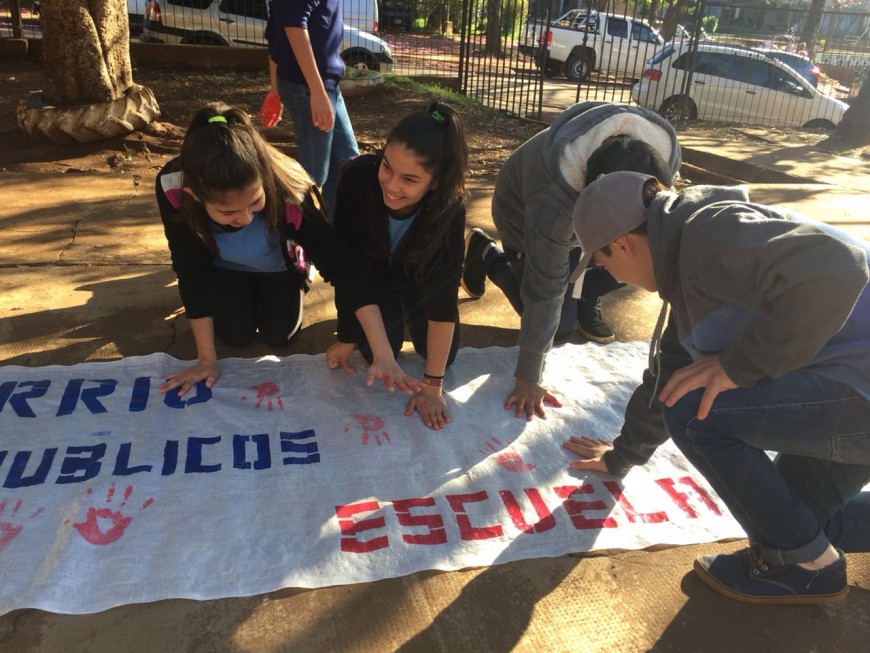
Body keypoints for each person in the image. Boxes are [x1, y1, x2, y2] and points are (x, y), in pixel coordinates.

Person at [566, 170, 870, 605]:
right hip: (854, 387)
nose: (612, 276)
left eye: (602, 262)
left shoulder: (710, 237)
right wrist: (622, 457)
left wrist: (737, 366)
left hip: (860, 391)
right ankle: (807, 554)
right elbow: (669, 374)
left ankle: (810, 569)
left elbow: (841, 269)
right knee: (788, 521)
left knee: (694, 411)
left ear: (622, 244)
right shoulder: (685, 256)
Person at [156, 103, 418, 398]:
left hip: (277, 266)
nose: (244, 218)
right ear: (194, 196)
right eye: (228, 212)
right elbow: (190, 268)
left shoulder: (291, 192)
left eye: (255, 202)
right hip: (223, 265)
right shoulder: (173, 187)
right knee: (235, 337)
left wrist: (383, 354)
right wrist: (206, 360)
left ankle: (300, 268)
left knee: (279, 335)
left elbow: (345, 268)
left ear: (264, 177)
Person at [460, 101, 681, 420]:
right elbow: (544, 290)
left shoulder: (661, 160)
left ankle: (583, 294)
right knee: (555, 327)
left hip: (584, 227)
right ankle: (485, 252)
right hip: (524, 221)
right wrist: (528, 378)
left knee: (637, 260)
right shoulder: (553, 197)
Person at [325, 102, 468, 430]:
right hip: (373, 277)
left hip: (419, 277)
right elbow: (348, 269)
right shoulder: (356, 178)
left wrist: (432, 387)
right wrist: (349, 336)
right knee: (375, 350)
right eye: (387, 166)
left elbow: (443, 299)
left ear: (434, 183)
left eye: (409, 179)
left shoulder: (449, 207)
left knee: (443, 359)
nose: (391, 185)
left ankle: (471, 252)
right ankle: (384, 326)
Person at [260, 0, 359, 218]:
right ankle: (287, 231)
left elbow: (276, 30)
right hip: (309, 89)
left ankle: (335, 233)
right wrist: (316, 90)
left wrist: (275, 89)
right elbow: (293, 25)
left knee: (347, 163)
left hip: (324, 87)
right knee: (312, 176)